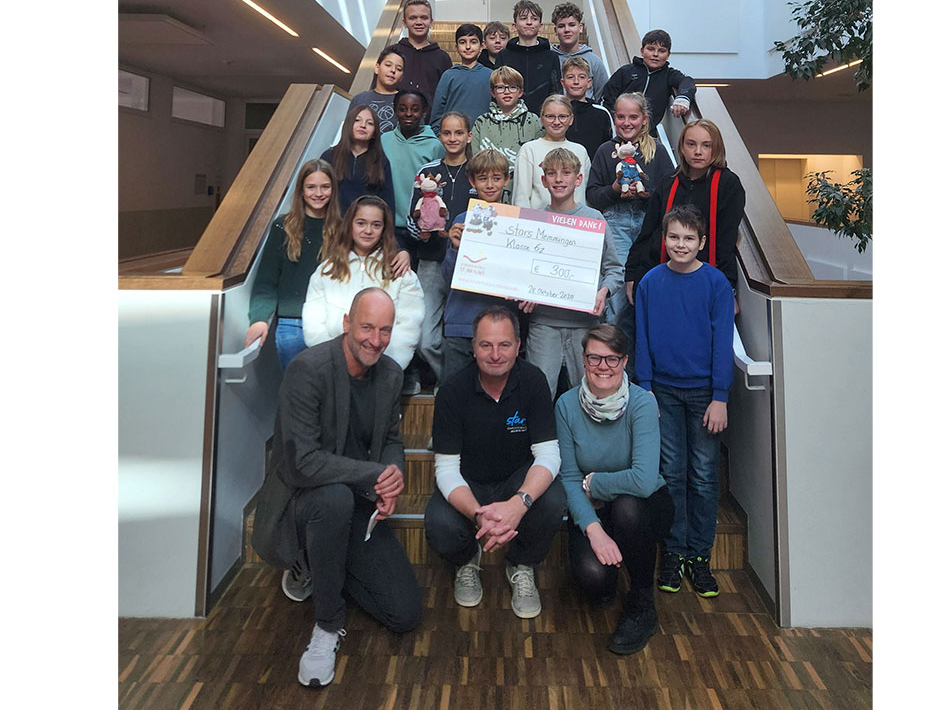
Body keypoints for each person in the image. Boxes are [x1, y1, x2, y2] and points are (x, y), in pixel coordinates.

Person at [251, 287, 422, 688]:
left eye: (385, 330)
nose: (375, 340)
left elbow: (392, 439)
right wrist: (372, 475)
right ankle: (327, 625)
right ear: (346, 323)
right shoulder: (307, 370)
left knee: (404, 614)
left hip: (356, 501)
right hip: (303, 499)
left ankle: (320, 563)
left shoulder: (390, 374)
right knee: (334, 498)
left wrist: (392, 475)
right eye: (366, 327)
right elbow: (302, 464)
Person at [425, 306, 567, 619]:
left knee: (554, 499)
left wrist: (519, 503)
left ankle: (521, 563)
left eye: (504, 345)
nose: (495, 354)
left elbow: (548, 454)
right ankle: (467, 559)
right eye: (486, 345)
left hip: (516, 481)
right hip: (469, 484)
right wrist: (479, 516)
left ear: (518, 346)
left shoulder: (534, 381)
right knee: (438, 524)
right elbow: (446, 470)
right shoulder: (451, 391)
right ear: (473, 347)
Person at [633, 205, 733, 599]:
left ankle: (699, 556)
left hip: (705, 394)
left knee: (704, 475)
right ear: (664, 240)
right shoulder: (650, 282)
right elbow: (642, 337)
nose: (681, 244)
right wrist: (646, 388)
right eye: (674, 236)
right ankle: (673, 553)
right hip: (663, 392)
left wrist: (720, 397)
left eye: (689, 238)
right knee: (671, 474)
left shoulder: (716, 283)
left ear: (702, 243)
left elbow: (723, 342)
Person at [556, 323, 673, 654]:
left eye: (612, 359)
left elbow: (643, 480)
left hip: (644, 506)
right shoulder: (566, 405)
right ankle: (610, 572)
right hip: (593, 510)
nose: (603, 367)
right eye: (594, 358)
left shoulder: (642, 404)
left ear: (624, 361)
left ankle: (642, 602)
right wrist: (594, 531)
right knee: (594, 580)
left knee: (626, 507)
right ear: (583, 359)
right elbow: (568, 477)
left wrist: (594, 483)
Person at [519, 148, 622, 400]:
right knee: (539, 395)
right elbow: (523, 270)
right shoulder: (533, 221)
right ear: (543, 180)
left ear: (578, 179)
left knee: (590, 394)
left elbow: (614, 269)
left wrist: (603, 291)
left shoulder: (594, 219)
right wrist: (524, 290)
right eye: (551, 174)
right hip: (544, 324)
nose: (558, 179)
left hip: (585, 325)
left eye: (566, 173)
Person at [625, 119, 746, 310]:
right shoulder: (668, 182)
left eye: (706, 145)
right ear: (682, 147)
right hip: (657, 276)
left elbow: (726, 241)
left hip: (703, 282)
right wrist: (631, 274)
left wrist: (727, 288)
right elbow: (647, 232)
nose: (698, 151)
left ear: (717, 148)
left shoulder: (728, 185)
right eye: (691, 144)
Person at [587, 92, 675, 338]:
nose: (627, 123)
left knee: (648, 290)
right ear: (614, 118)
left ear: (644, 119)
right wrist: (615, 189)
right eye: (621, 117)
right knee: (617, 295)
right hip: (616, 223)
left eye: (633, 117)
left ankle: (642, 354)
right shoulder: (605, 151)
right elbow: (592, 195)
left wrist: (647, 193)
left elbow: (670, 192)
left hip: (651, 225)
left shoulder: (657, 151)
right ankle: (614, 354)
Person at [303, 196, 424, 371]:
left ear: (384, 229)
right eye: (361, 223)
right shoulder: (326, 271)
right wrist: (332, 364)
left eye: (376, 225)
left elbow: (408, 328)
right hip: (332, 368)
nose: (368, 231)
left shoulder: (401, 273)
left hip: (381, 369)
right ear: (350, 225)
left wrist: (387, 368)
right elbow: (314, 323)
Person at [246, 159, 343, 370]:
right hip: (292, 324)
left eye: (325, 187)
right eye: (311, 187)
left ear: (333, 190)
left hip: (331, 323)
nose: (318, 193)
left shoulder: (344, 228)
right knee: (296, 388)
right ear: (301, 190)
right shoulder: (283, 227)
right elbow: (266, 281)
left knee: (330, 389)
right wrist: (259, 318)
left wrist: (401, 252)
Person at [406, 111, 475, 386]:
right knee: (425, 339)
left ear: (469, 136)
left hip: (469, 265)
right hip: (432, 261)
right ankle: (450, 381)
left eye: (459, 133)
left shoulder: (478, 172)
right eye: (447, 133)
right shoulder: (427, 172)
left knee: (464, 336)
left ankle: (454, 387)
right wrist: (423, 233)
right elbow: (411, 219)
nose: (452, 138)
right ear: (439, 136)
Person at [440, 149, 517, 381]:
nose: (490, 185)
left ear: (507, 179)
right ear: (473, 182)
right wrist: (455, 249)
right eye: (483, 179)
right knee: (454, 390)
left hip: (500, 328)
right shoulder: (462, 222)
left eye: (496, 178)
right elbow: (448, 277)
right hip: (461, 323)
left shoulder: (518, 223)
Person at [381, 89, 444, 254]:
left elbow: (437, 187)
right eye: (402, 109)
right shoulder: (383, 140)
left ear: (424, 112)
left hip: (421, 227)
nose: (408, 114)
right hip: (387, 225)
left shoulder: (434, 146)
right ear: (395, 111)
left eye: (415, 109)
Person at [470, 66, 543, 203]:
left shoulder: (533, 121)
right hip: (489, 196)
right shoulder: (481, 123)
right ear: (493, 92)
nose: (507, 92)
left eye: (512, 87)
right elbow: (476, 161)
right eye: (500, 87)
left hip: (525, 195)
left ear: (520, 92)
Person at [601, 29, 696, 127]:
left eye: (662, 51)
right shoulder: (625, 72)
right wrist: (612, 125)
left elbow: (687, 82)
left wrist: (683, 98)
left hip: (648, 133)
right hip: (619, 129)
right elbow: (608, 98)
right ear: (642, 51)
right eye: (650, 49)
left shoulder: (669, 75)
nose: (655, 54)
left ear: (668, 55)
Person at [511, 94, 591, 211]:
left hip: (574, 220)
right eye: (550, 116)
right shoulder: (529, 150)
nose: (556, 122)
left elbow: (585, 194)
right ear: (542, 119)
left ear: (571, 119)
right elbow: (521, 197)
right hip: (539, 220)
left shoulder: (580, 151)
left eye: (562, 116)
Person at [320, 104, 395, 217]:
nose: (363, 125)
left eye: (370, 123)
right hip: (332, 222)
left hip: (365, 224)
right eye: (357, 120)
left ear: (374, 133)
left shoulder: (381, 162)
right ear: (348, 125)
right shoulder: (329, 156)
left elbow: (388, 204)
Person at [495, 0, 562, 114]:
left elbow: (556, 93)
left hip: (543, 118)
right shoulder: (503, 55)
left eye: (534, 19)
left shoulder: (551, 57)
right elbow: (498, 91)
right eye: (523, 18)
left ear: (540, 26)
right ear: (514, 26)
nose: (529, 22)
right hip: (509, 117)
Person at [392, 0, 452, 115]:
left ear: (431, 22)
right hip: (395, 120)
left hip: (431, 123)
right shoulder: (392, 53)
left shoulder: (442, 58)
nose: (419, 22)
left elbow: (448, 96)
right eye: (413, 18)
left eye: (424, 18)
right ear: (404, 23)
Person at [429, 23, 492, 132]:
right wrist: (439, 135)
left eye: (473, 42)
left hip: (483, 136)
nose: (468, 46)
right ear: (456, 47)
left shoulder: (491, 75)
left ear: (482, 46)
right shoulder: (448, 76)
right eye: (462, 42)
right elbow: (437, 113)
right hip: (453, 136)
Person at [550, 1, 609, 101]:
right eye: (561, 26)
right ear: (555, 30)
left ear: (580, 28)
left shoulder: (594, 61)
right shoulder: (548, 59)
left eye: (572, 25)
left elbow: (602, 96)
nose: (567, 30)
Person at [561, 56, 613, 160]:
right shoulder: (556, 112)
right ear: (563, 83)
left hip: (594, 168)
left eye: (581, 77)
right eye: (570, 77)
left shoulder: (601, 114)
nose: (576, 81)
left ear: (589, 82)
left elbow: (609, 147)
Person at [349, 44, 405, 134]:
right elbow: (348, 131)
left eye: (399, 69)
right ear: (377, 68)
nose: (393, 70)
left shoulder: (406, 102)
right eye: (388, 65)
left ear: (402, 77)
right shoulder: (359, 99)